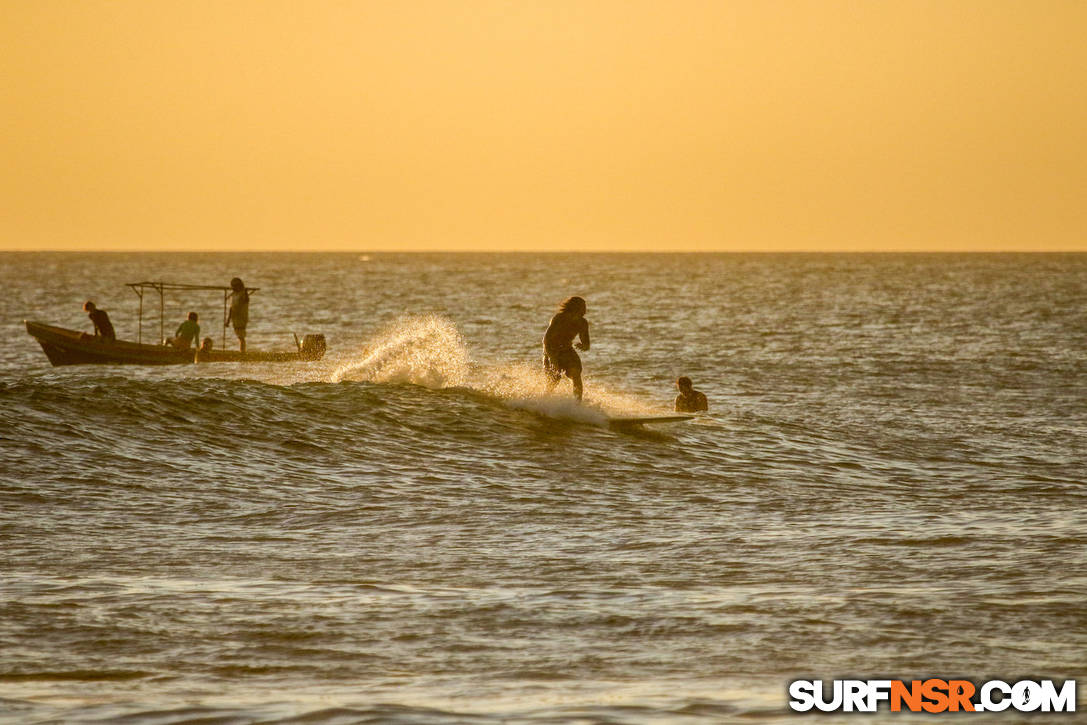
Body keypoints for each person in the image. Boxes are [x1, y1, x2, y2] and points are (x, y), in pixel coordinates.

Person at [542, 296, 590, 401]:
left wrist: (584, 346)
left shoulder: (583, 323)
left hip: (567, 350)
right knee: (555, 379)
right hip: (551, 350)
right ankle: (543, 401)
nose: (585, 310)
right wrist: (552, 357)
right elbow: (546, 340)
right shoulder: (559, 318)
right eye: (583, 307)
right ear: (575, 307)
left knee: (576, 374)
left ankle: (577, 405)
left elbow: (586, 344)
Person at [226, 277, 249, 352]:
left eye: (235, 286)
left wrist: (245, 292)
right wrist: (228, 320)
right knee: (238, 334)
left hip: (241, 316)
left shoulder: (243, 293)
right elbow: (231, 307)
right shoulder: (234, 294)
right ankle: (242, 351)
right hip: (235, 316)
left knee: (241, 336)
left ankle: (242, 352)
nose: (234, 287)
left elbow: (245, 301)